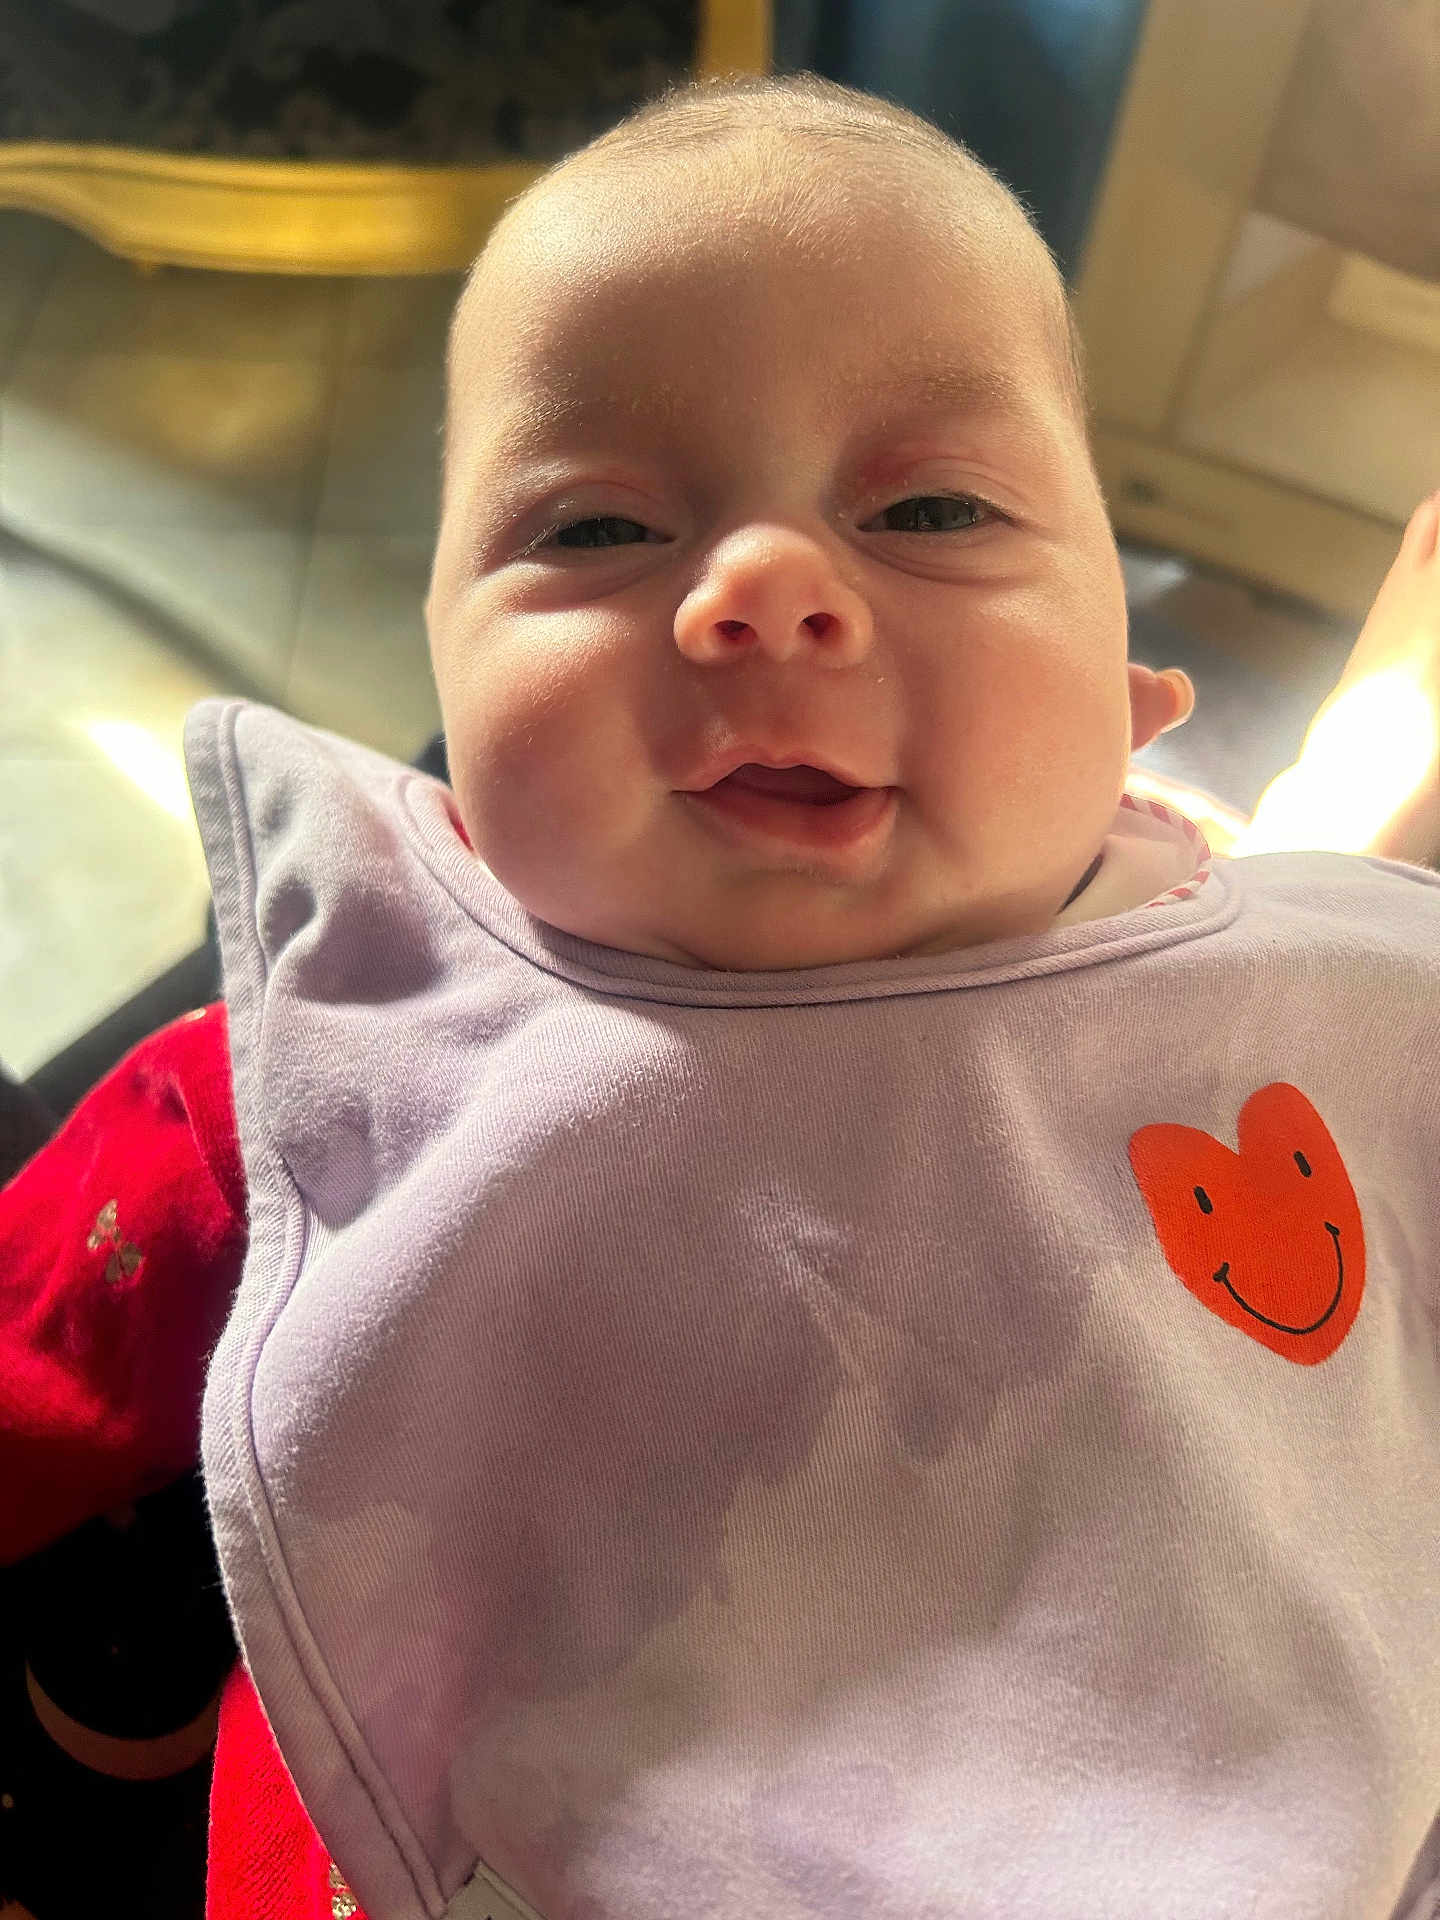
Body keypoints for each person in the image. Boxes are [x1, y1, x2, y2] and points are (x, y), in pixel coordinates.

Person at [4, 69, 1440, 1920]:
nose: (761, 592)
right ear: (441, 712)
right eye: (598, 532)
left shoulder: (1320, 1007)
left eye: (930, 505)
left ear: (1138, 689)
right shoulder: (334, 1067)